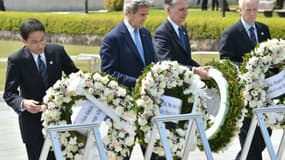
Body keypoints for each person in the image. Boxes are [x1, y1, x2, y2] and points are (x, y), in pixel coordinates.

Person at [3, 18, 79, 160]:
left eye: (42, 40)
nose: (40, 45)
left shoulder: (57, 51)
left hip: (60, 120)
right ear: (23, 41)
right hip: (32, 126)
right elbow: (9, 93)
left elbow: (76, 76)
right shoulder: (17, 60)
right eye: (34, 42)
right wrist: (23, 103)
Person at [219, 0, 271, 159]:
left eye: (255, 10)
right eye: (248, 10)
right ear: (240, 10)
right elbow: (225, 61)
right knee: (249, 136)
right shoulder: (231, 33)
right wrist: (250, 66)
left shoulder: (263, 29)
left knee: (264, 134)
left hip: (264, 92)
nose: (252, 13)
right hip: (244, 95)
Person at [100, 0, 156, 89]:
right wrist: (136, 82)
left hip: (150, 95)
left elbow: (153, 62)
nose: (145, 18)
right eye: (142, 14)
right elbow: (108, 72)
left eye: (146, 15)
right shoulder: (112, 39)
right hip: (126, 96)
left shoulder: (146, 34)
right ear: (128, 12)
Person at [154, 0, 210, 80]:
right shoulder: (162, 32)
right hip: (172, 84)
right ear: (168, 10)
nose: (185, 13)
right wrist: (194, 70)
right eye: (181, 9)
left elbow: (186, 60)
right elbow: (166, 63)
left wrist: (202, 69)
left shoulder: (182, 29)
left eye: (187, 9)